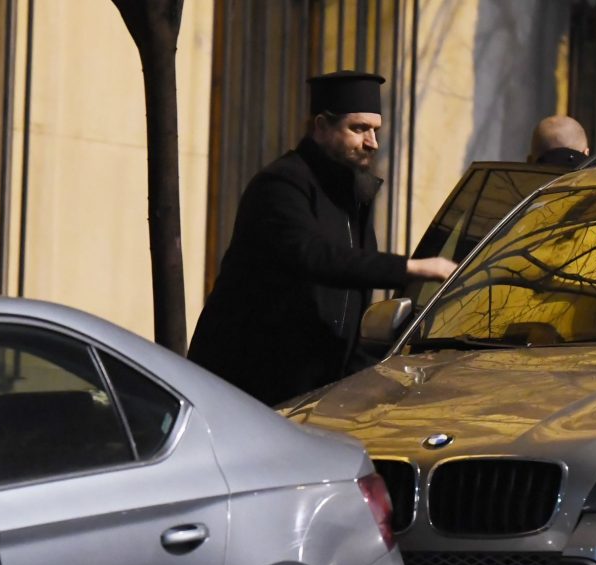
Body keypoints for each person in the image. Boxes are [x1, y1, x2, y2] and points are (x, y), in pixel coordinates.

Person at [188, 70, 456, 405]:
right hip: (247, 386)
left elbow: (348, 309)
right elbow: (315, 257)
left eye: (375, 130)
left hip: (314, 389)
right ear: (321, 127)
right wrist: (415, 268)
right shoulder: (282, 185)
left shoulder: (352, 196)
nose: (372, 142)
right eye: (358, 128)